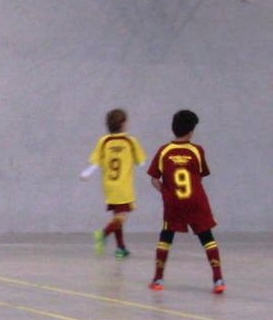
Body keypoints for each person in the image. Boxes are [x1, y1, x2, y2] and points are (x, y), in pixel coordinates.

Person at [146, 109, 224, 294]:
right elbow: (199, 176)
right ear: (191, 131)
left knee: (166, 236)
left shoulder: (164, 151)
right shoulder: (197, 151)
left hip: (174, 203)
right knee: (207, 238)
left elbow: (154, 179)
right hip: (196, 201)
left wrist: (166, 192)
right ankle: (218, 279)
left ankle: (158, 279)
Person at [80, 108, 145, 258]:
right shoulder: (129, 141)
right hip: (123, 186)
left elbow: (95, 162)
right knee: (121, 216)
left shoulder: (104, 141)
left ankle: (120, 248)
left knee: (117, 214)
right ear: (123, 124)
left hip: (109, 185)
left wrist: (86, 173)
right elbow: (140, 162)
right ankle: (103, 234)